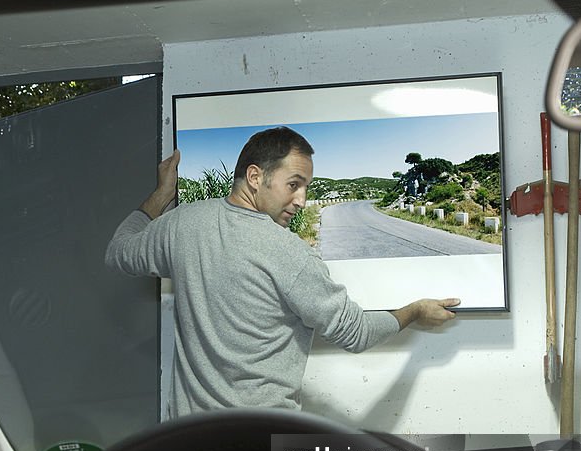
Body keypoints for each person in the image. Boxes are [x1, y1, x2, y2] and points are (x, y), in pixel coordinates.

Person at [105, 126, 460, 417]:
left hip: (191, 447)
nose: (302, 200)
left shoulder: (183, 224)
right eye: (294, 184)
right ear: (255, 177)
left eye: (306, 187)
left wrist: (161, 193)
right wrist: (414, 311)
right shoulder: (290, 254)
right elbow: (357, 334)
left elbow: (119, 250)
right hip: (261, 448)